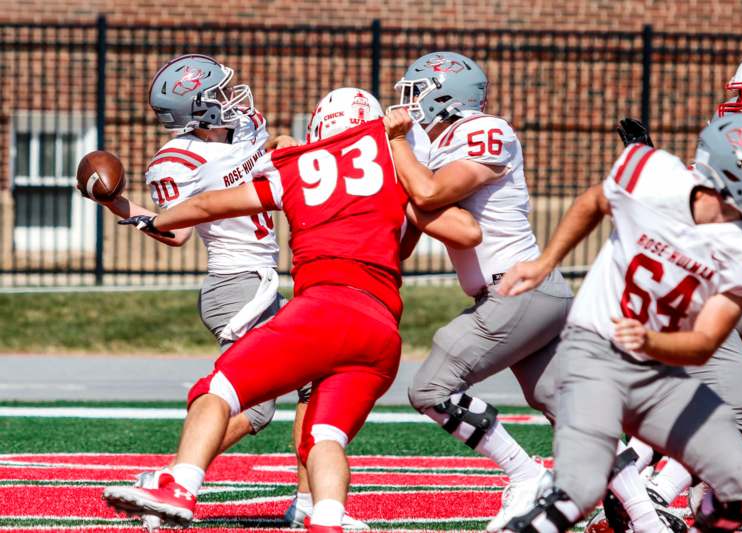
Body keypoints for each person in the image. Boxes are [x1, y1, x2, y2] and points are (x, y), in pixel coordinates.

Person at [101, 87, 482, 533]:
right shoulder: (398, 175)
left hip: (321, 310)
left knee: (220, 388)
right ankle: (326, 515)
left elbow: (206, 204)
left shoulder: (299, 166)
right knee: (326, 436)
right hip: (381, 335)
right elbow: (466, 232)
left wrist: (152, 218)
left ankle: (178, 485)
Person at [81, 53, 348, 531]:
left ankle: (307, 503)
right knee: (258, 406)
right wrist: (120, 205)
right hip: (235, 285)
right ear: (196, 110)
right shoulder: (176, 160)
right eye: (219, 93)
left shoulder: (246, 125)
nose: (233, 97)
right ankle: (167, 479)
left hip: (264, 280)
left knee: (316, 379)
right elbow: (178, 231)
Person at [497, 113, 742, 533]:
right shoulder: (654, 175)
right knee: (579, 488)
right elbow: (593, 201)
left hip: (657, 367)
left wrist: (651, 341)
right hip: (595, 352)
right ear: (732, 173)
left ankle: (678, 509)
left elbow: (704, 342)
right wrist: (545, 262)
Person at [383, 51, 573, 531]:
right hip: (522, 294)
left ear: (445, 96)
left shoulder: (482, 131)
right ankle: (643, 508)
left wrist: (400, 149)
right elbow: (407, 240)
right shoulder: (432, 145)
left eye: (417, 92)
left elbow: (426, 197)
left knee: (430, 388)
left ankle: (526, 475)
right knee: (563, 404)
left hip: (516, 288)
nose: (407, 105)